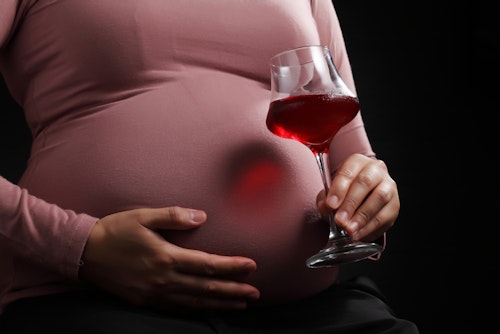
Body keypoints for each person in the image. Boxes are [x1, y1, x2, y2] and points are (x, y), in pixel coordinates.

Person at [0, 1, 419, 333]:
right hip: (90, 301)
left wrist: (370, 195)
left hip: (316, 310)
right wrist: (79, 247)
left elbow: (351, 149)